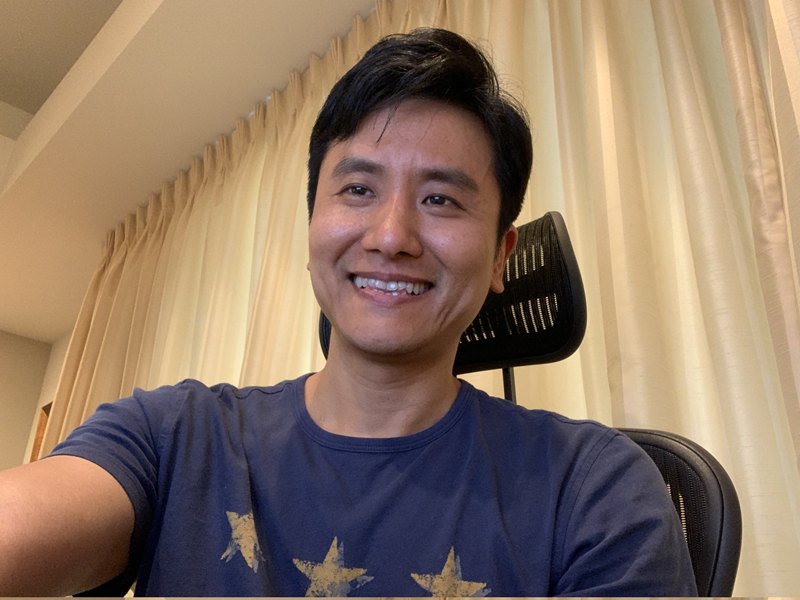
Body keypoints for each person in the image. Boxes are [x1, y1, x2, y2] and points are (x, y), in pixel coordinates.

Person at [0, 28, 697, 597]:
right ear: (313, 225)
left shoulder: (597, 489)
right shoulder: (172, 438)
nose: (391, 236)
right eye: (359, 189)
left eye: (441, 200)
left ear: (499, 257)